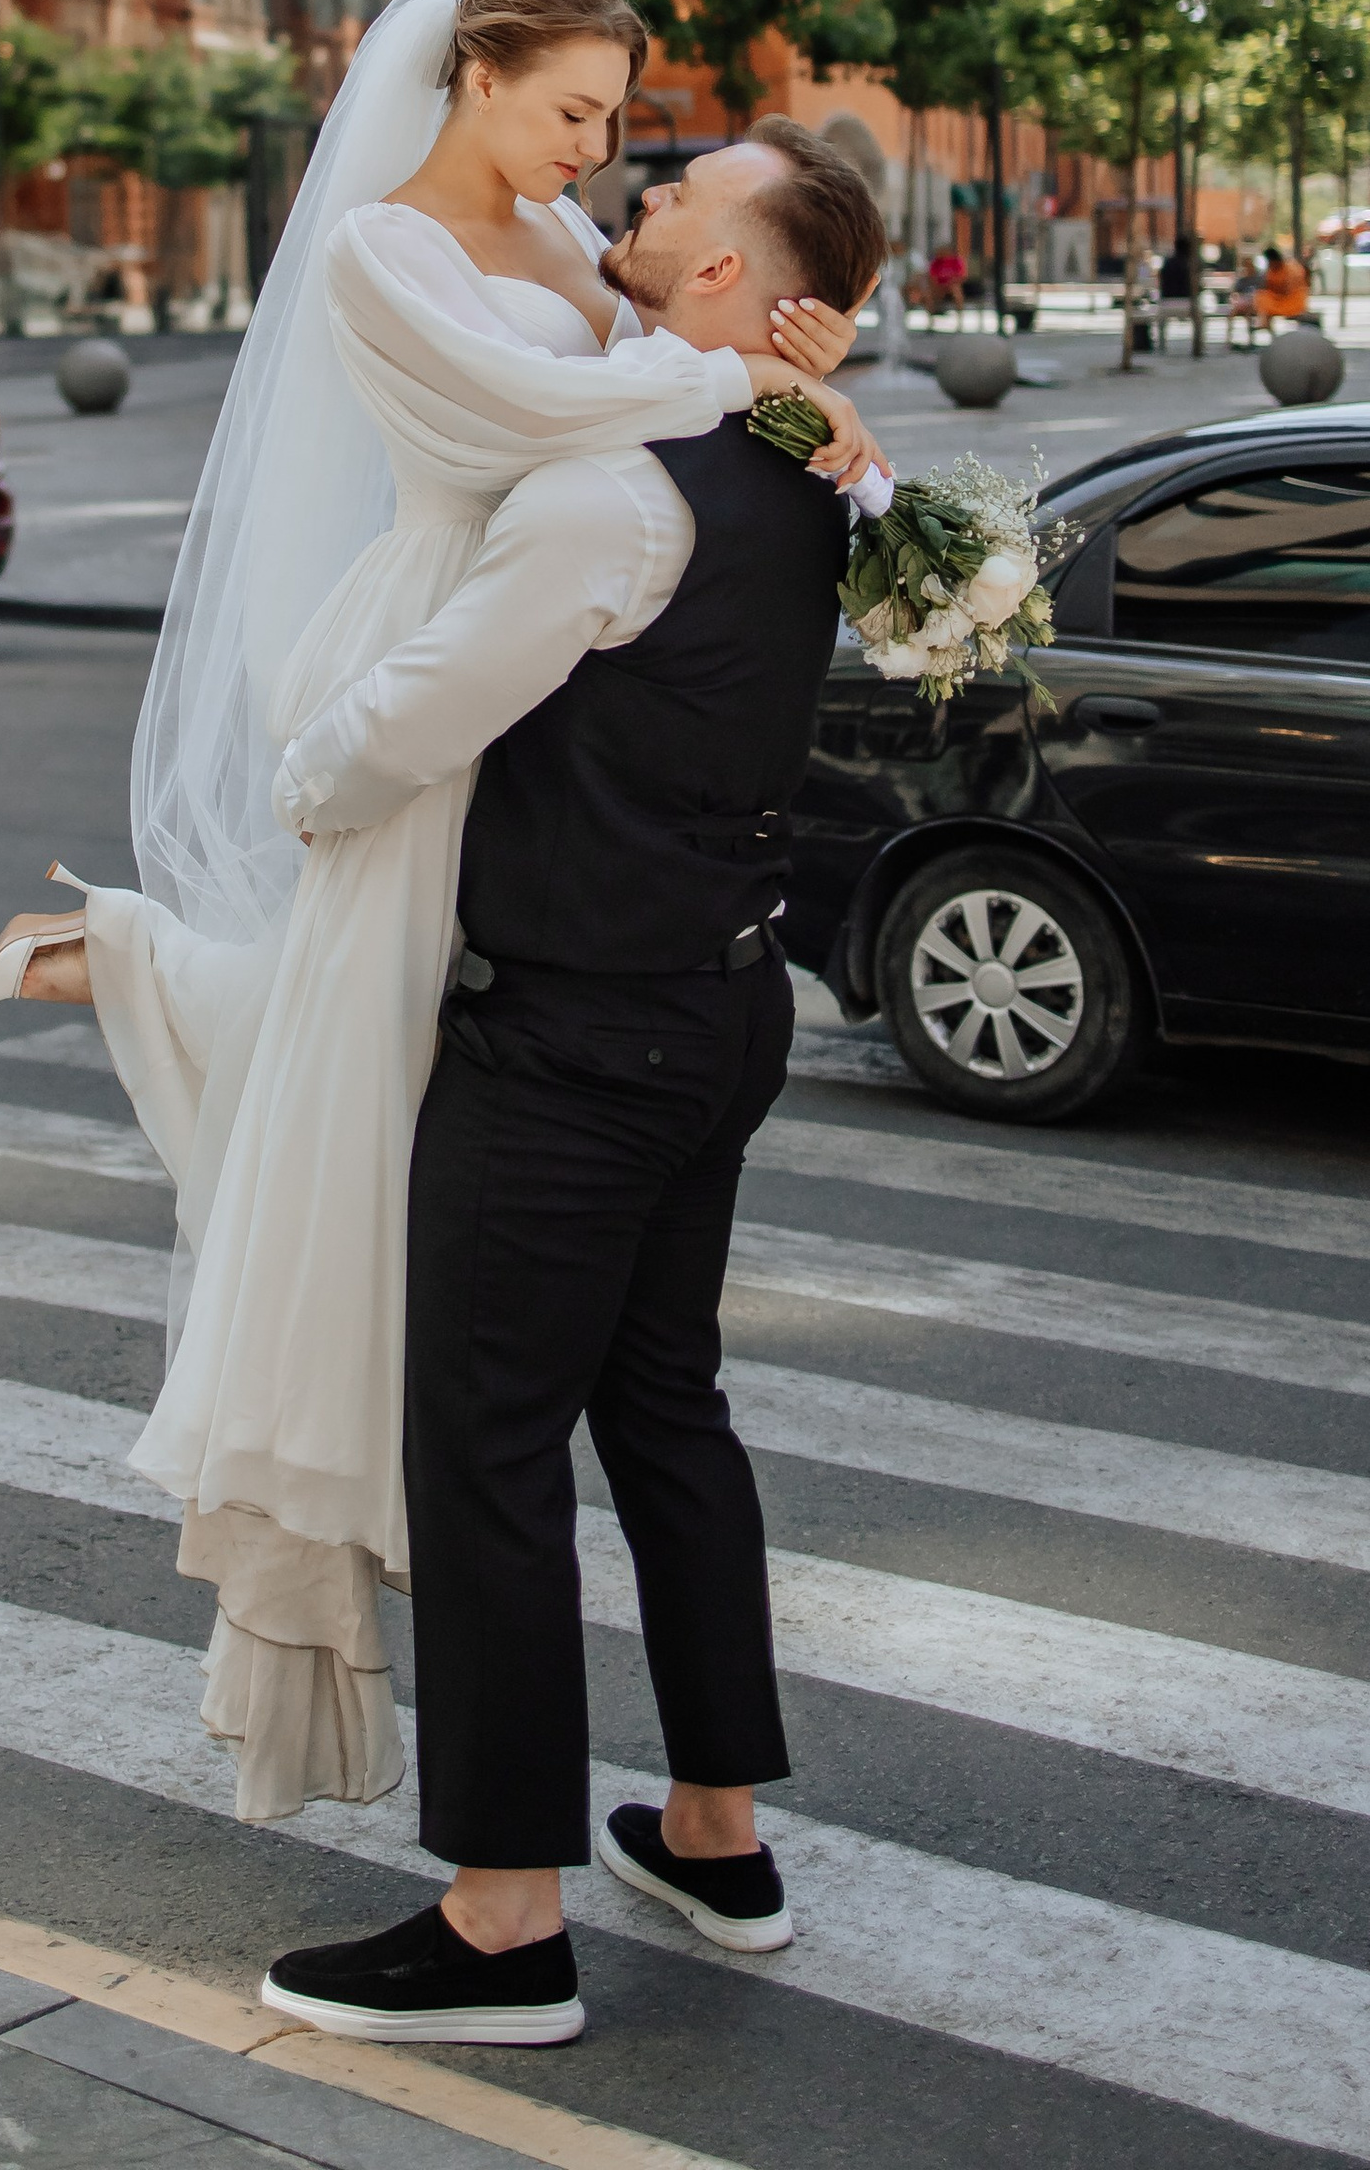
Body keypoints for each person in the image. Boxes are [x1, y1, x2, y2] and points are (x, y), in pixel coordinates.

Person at [0, 0, 884, 1819]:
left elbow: (634, 403)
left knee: (454, 1308)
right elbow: (538, 410)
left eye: (629, 134)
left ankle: (512, 1907)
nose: (604, 163)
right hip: (515, 717)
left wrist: (805, 388)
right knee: (402, 1119)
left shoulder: (599, 318)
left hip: (553, 832)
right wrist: (778, 384)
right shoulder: (399, 256)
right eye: (580, 113)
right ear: (475, 77)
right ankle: (705, 1832)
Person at [252, 120, 890, 2048]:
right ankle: (714, 1833)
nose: (644, 192)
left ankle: (503, 1924)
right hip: (725, 1010)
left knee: (489, 1449)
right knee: (668, 1411)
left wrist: (293, 783)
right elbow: (880, 533)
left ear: (729, 276)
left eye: (684, 194)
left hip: (573, 1039)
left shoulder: (617, 496)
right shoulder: (816, 463)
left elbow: (414, 718)